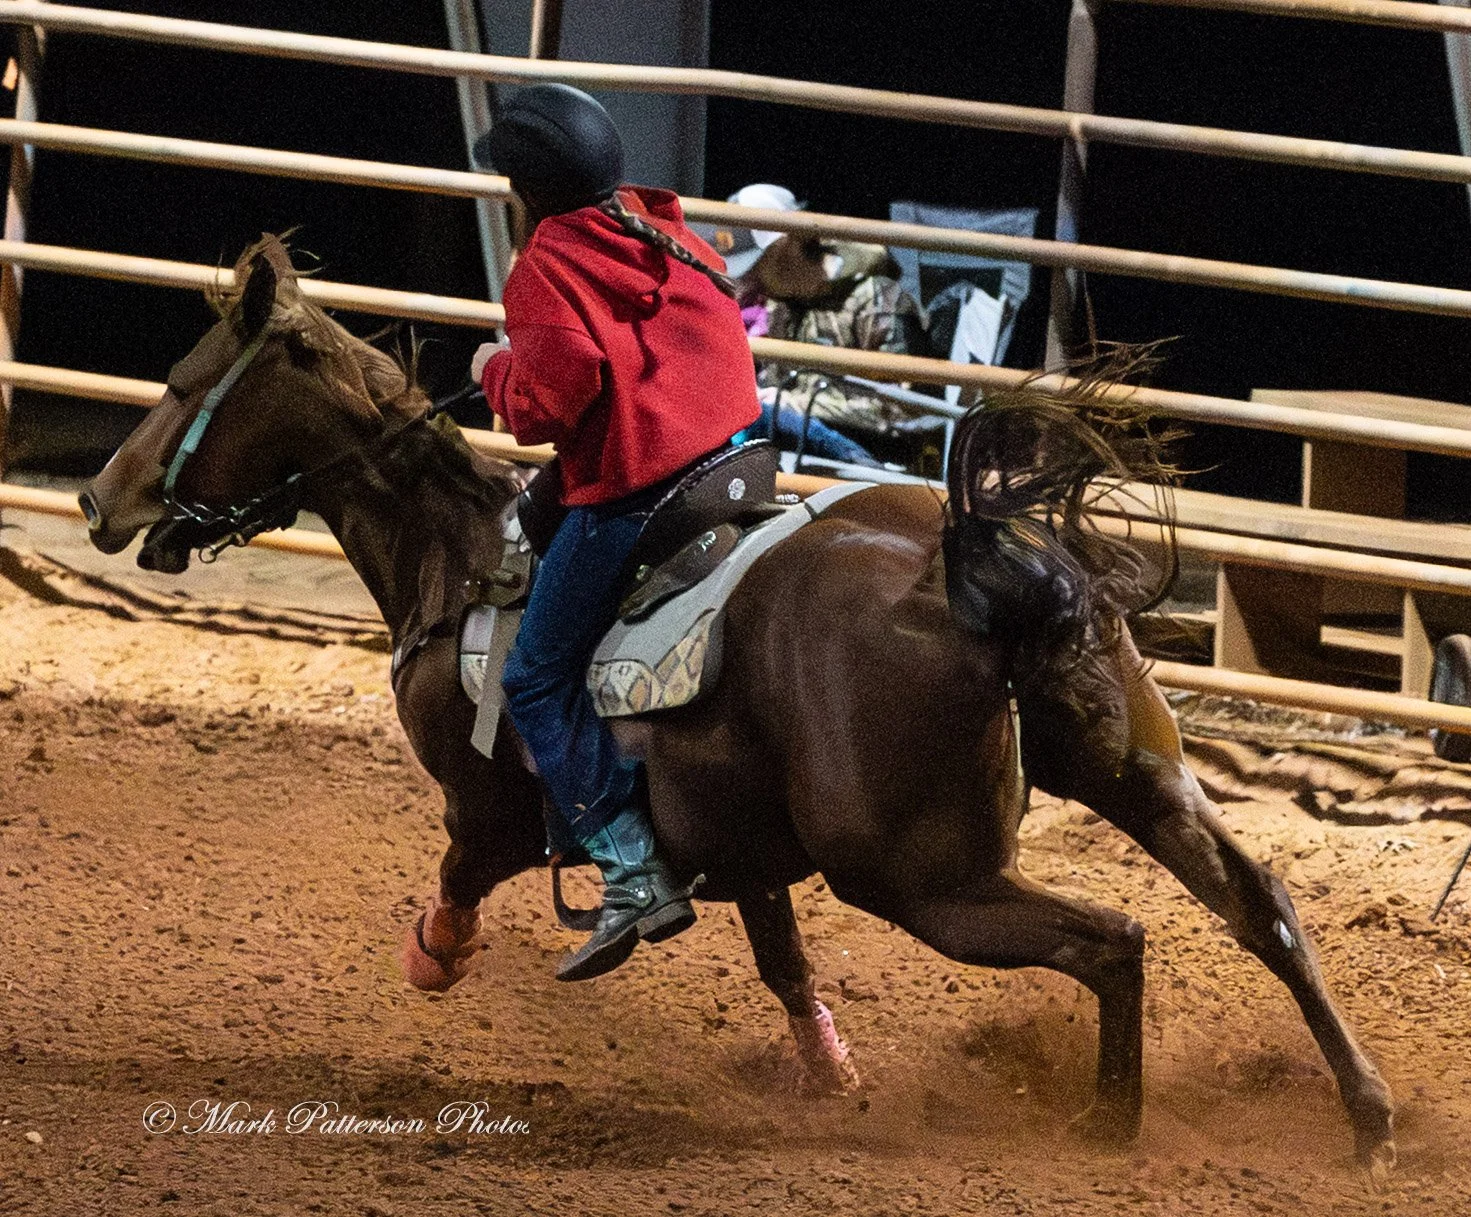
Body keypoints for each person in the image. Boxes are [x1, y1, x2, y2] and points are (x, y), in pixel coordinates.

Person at [471, 84, 760, 982]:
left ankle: (633, 870)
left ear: (527, 183)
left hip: (639, 491)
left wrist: (495, 373)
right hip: (734, 461)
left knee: (532, 673)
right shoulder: (657, 222)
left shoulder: (543, 266)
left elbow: (555, 398)